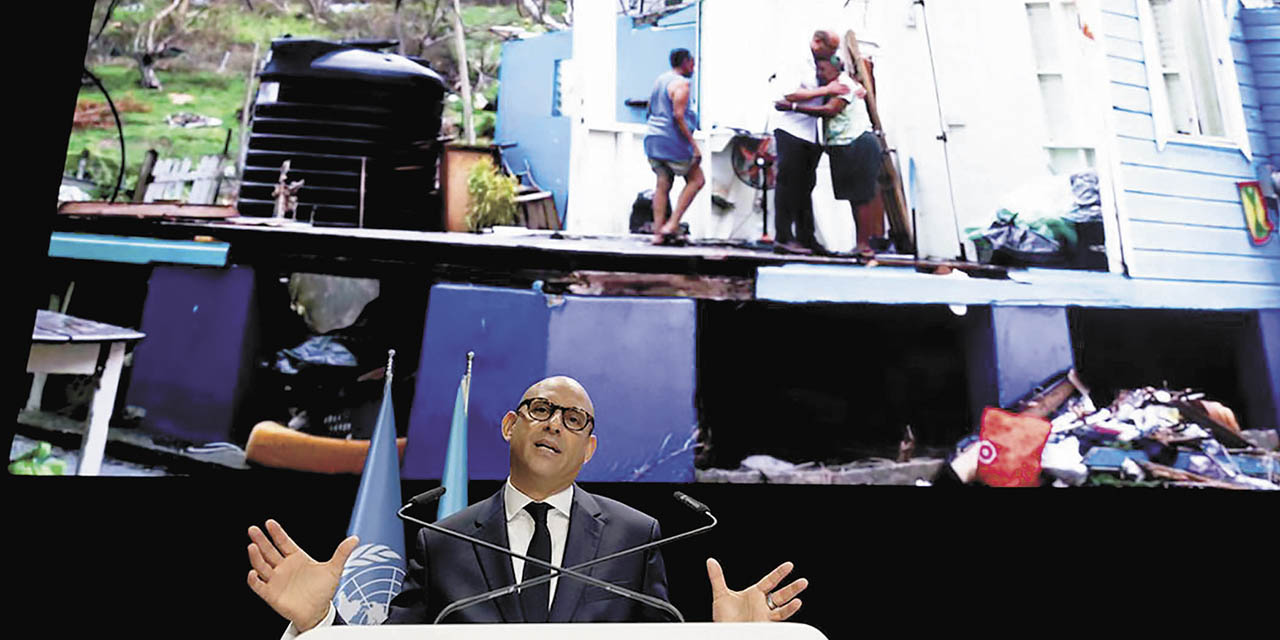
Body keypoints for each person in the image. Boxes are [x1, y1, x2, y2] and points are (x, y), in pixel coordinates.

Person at [248, 376, 808, 635]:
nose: (554, 424)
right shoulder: (444, 539)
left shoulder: (637, 535)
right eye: (540, 409)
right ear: (510, 425)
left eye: (574, 420)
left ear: (588, 450)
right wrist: (319, 621)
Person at [776, 57, 882, 256]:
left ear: (836, 68)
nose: (819, 74)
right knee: (853, 196)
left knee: (861, 197)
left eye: (823, 69)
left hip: (856, 142)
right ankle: (860, 245)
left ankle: (864, 246)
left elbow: (830, 110)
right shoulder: (836, 85)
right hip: (843, 145)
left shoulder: (843, 84)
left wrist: (792, 107)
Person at [770, 30, 848, 255]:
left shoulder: (818, 62)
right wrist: (826, 90)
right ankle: (783, 236)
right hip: (791, 128)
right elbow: (788, 93)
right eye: (830, 49)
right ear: (816, 42)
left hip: (810, 132)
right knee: (787, 183)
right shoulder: (795, 60)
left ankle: (806, 237)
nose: (832, 54)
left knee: (805, 186)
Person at [643, 48, 705, 246]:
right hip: (672, 139)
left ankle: (658, 234)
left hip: (653, 138)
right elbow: (679, 116)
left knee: (662, 183)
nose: (694, 67)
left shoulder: (660, 80)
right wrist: (694, 145)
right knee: (697, 179)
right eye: (692, 63)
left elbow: (650, 107)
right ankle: (672, 224)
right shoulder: (682, 85)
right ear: (685, 62)